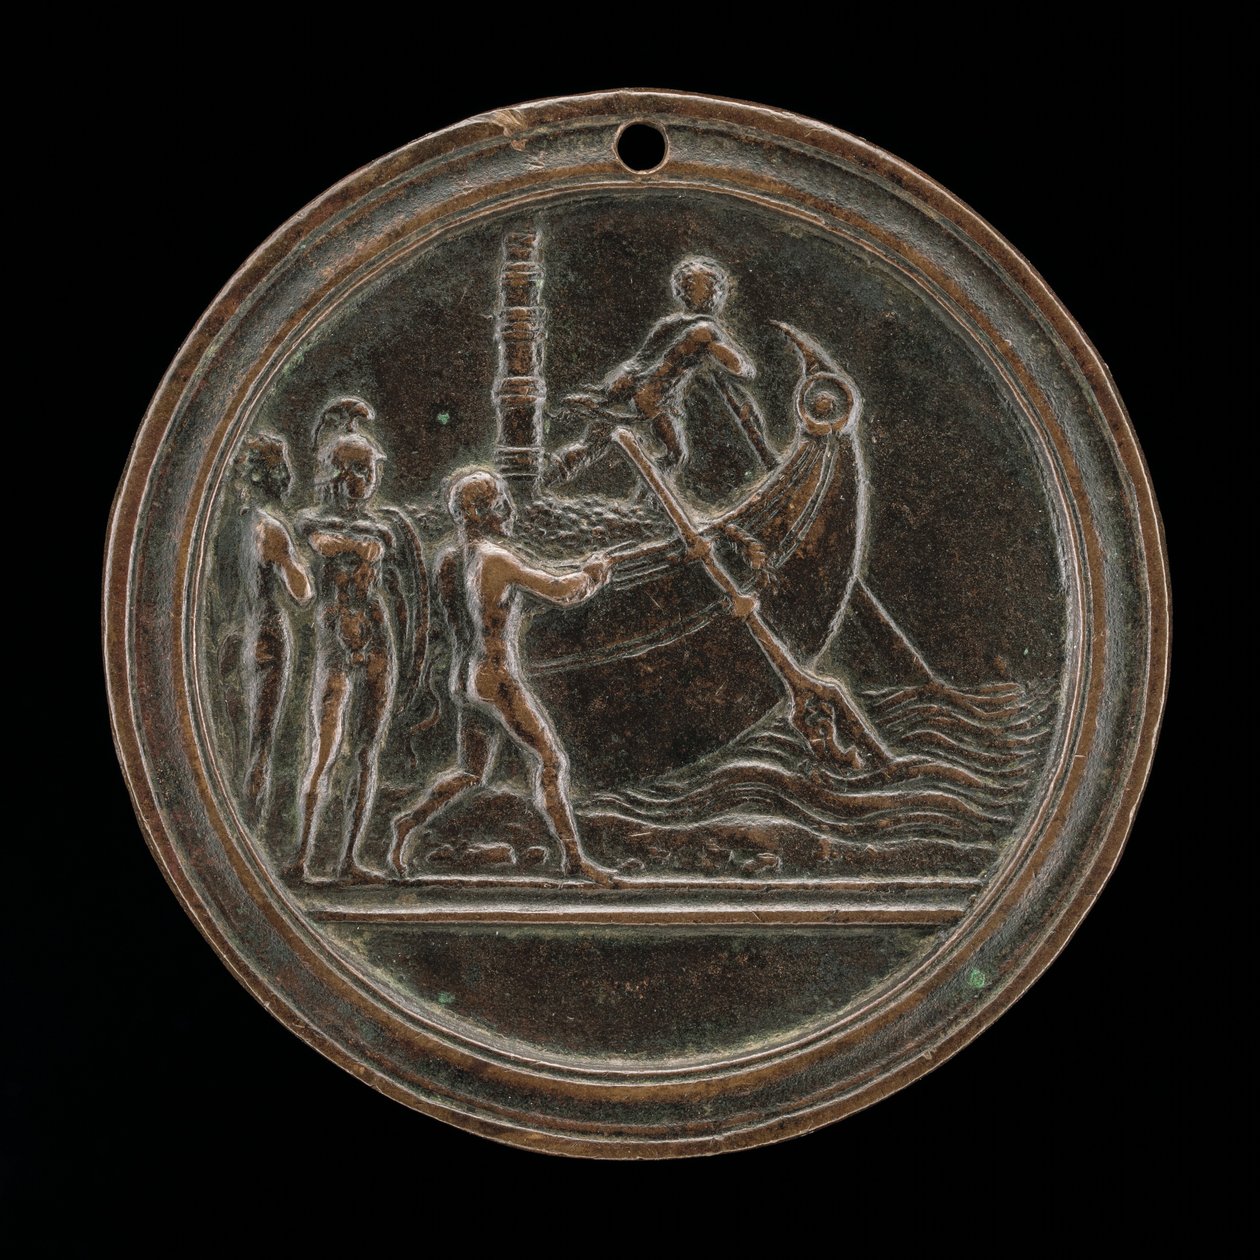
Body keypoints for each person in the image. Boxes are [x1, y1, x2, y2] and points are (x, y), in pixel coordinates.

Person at [389, 470, 616, 885]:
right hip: (496, 678)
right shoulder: (495, 559)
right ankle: (573, 859)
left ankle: (407, 824)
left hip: (463, 679)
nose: (508, 510)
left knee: (471, 772)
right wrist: (592, 574)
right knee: (551, 760)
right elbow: (560, 590)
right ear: (478, 512)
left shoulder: (448, 559)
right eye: (500, 504)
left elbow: (479, 611)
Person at [296, 399, 407, 882]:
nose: (359, 481)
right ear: (334, 473)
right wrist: (354, 545)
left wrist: (360, 545)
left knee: (365, 751)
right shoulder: (311, 523)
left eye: (366, 471)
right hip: (336, 641)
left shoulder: (382, 527)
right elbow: (323, 542)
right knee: (324, 749)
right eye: (352, 470)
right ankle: (301, 855)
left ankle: (348, 860)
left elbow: (380, 551)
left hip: (376, 638)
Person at [544, 255, 761, 487]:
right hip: (654, 398)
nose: (717, 292)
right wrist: (734, 361)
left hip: (624, 385)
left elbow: (641, 360)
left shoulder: (667, 324)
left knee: (592, 442)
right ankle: (648, 501)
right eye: (712, 286)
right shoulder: (705, 330)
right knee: (676, 455)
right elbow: (742, 370)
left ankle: (542, 480)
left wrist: (611, 392)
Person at [234, 434, 312, 824]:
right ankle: (250, 818)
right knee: (261, 740)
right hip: (267, 634)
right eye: (282, 467)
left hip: (237, 635)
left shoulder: (230, 527)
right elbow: (303, 592)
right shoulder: (270, 530)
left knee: (236, 732)